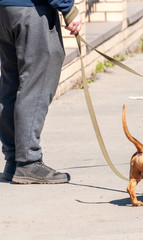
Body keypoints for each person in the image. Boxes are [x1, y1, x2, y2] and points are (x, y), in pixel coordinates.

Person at [0, 0, 82, 184]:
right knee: (37, 83)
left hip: (5, 10)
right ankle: (28, 161)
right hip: (32, 10)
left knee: (11, 84)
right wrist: (67, 8)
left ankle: (14, 160)